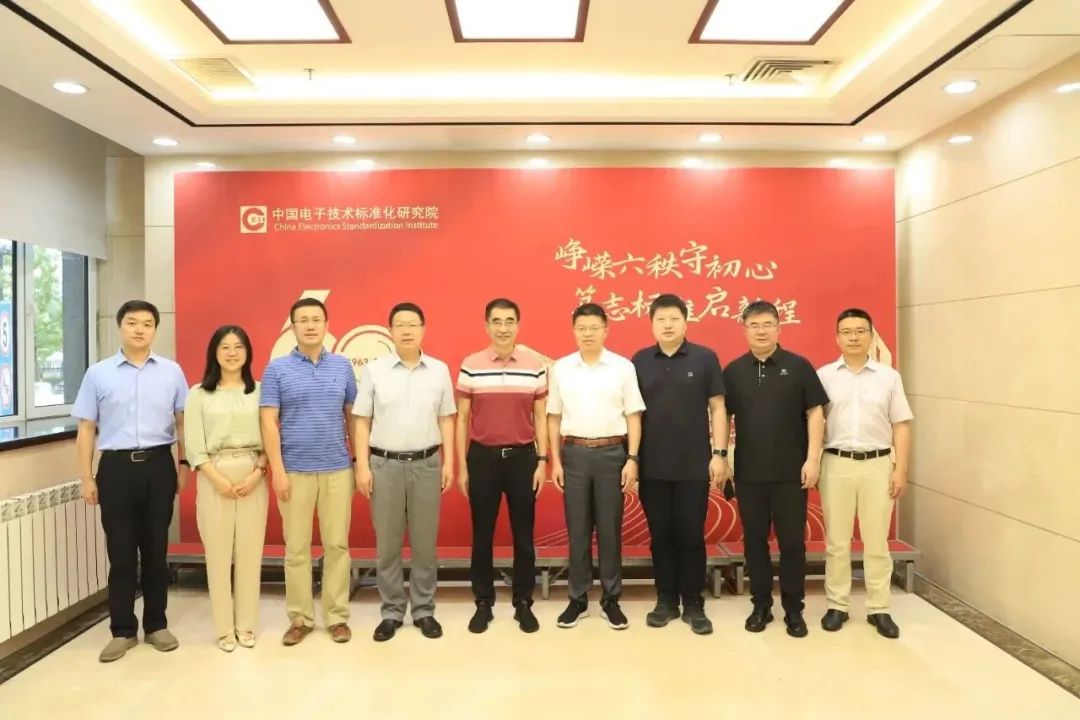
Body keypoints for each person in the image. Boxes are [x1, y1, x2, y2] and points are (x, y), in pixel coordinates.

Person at [73, 300, 189, 662]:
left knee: (156, 551)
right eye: (132, 323)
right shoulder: (98, 374)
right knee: (121, 555)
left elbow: (183, 422)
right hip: (116, 469)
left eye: (147, 324)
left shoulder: (171, 372)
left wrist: (183, 465)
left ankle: (156, 625)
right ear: (120, 327)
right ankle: (122, 630)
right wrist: (87, 477)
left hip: (159, 466)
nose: (140, 329)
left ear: (155, 329)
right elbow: (86, 428)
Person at [722, 300, 828, 638]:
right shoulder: (734, 371)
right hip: (749, 473)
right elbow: (722, 415)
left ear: (779, 328)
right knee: (754, 542)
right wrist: (721, 457)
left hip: (791, 473)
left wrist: (813, 459)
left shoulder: (799, 367)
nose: (761, 331)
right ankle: (761, 604)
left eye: (767, 324)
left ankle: (794, 609)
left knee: (793, 544)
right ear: (744, 330)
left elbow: (815, 412)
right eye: (754, 325)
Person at [354, 302, 456, 642]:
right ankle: (392, 611)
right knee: (388, 545)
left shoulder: (439, 370)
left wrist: (449, 462)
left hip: (427, 464)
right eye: (400, 324)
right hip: (385, 465)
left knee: (425, 544)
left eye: (413, 324)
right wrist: (362, 466)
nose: (407, 330)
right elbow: (362, 420)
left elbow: (446, 418)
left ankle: (424, 610)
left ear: (423, 329)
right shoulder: (375, 370)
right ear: (390, 331)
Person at [260, 298, 357, 645]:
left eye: (317, 319)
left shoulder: (343, 367)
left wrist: (358, 462)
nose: (311, 325)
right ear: (293, 327)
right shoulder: (277, 369)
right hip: (294, 471)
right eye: (303, 320)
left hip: (337, 470)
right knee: (296, 549)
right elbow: (268, 422)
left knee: (337, 546)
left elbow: (352, 416)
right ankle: (299, 618)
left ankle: (337, 617)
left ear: (327, 325)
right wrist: (277, 470)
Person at [632, 294, 728, 635]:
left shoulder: (704, 358)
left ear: (686, 322)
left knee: (690, 534)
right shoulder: (640, 361)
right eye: (661, 319)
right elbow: (632, 414)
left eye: (674, 319)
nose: (668, 325)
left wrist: (719, 454)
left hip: (693, 465)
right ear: (652, 324)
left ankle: (694, 603)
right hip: (652, 465)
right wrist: (633, 459)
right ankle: (666, 599)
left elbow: (718, 407)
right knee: (661, 535)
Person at [547, 303, 645, 631]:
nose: (587, 333)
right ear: (573, 331)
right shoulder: (561, 368)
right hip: (574, 454)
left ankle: (611, 599)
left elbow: (633, 415)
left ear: (606, 330)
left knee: (609, 529)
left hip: (612, 454)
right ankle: (577, 599)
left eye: (594, 327)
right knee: (577, 530)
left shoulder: (622, 367)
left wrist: (632, 459)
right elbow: (553, 417)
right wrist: (556, 460)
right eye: (581, 328)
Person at [817, 308, 913, 639]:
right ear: (837, 338)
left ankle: (879, 608)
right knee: (837, 541)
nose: (854, 337)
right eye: (847, 332)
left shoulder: (889, 377)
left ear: (871, 336)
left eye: (860, 331)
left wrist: (901, 468)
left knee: (876, 542)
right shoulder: (825, 376)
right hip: (836, 463)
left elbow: (901, 425)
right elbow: (814, 422)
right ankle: (837, 605)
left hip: (878, 464)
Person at [456, 298, 548, 634]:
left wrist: (542, 460)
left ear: (518, 325)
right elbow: (462, 418)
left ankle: (523, 602)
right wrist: (463, 466)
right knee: (482, 535)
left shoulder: (534, 365)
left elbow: (540, 416)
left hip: (523, 459)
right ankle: (483, 602)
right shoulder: (471, 365)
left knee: (524, 536)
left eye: (510, 321)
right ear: (486, 326)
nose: (503, 328)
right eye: (496, 321)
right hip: (483, 458)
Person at [184, 325, 269, 651]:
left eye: (238, 347)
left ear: (248, 353)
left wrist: (258, 472)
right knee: (217, 555)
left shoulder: (260, 391)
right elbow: (194, 445)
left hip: (252, 474)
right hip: (213, 475)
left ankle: (246, 625)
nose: (232, 353)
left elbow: (271, 438)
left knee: (250, 553)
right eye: (225, 347)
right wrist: (216, 478)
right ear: (214, 353)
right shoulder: (198, 394)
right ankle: (223, 629)